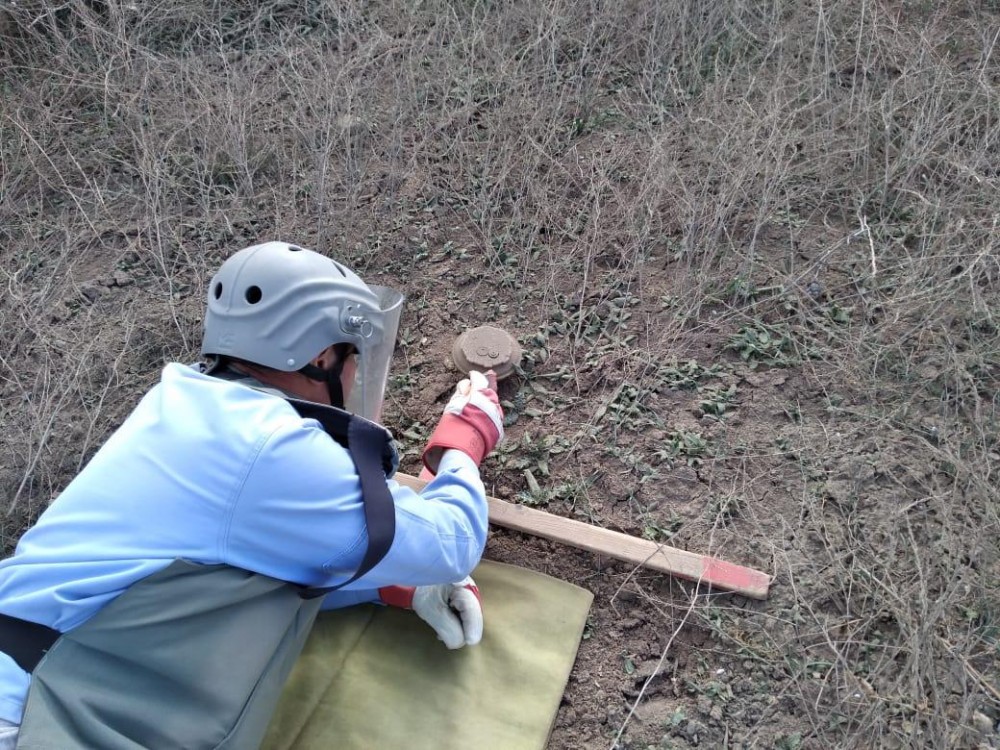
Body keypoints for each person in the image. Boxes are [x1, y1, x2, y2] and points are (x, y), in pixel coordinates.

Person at [0, 242, 504, 749]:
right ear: (321, 356)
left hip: (47, 682)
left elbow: (224, 583)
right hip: (38, 715)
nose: (354, 377)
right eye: (353, 358)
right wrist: (466, 439)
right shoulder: (269, 449)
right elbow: (452, 542)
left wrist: (394, 587)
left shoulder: (183, 406)